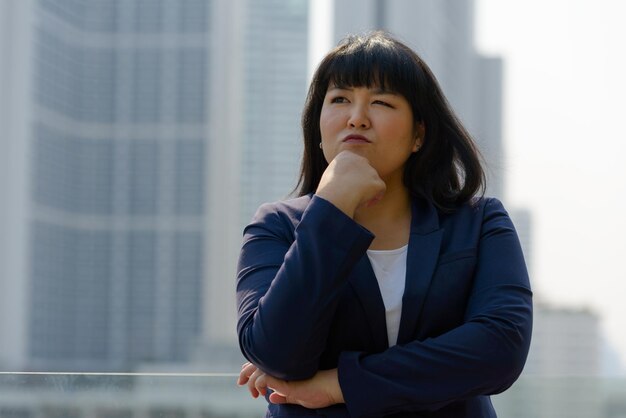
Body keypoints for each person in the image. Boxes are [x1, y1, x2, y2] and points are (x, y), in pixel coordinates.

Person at [236, 31, 532, 418]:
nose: (356, 117)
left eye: (381, 102)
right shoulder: (276, 226)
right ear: (318, 126)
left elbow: (499, 349)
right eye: (340, 99)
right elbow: (277, 354)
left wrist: (339, 384)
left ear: (418, 135)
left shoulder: (479, 223)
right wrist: (333, 207)